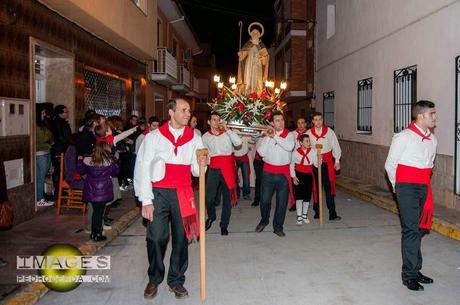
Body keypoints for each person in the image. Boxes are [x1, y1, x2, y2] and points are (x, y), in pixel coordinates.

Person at [134, 98, 207, 300]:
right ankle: (155, 277)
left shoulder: (195, 138)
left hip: (183, 192)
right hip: (158, 193)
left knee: (182, 238)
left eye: (189, 111)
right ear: (171, 112)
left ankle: (176, 279)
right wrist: (145, 200)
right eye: (183, 110)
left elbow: (197, 170)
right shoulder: (154, 137)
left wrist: (203, 163)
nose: (187, 114)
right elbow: (142, 167)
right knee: (156, 237)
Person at [384, 100, 437, 291]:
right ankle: (409, 275)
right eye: (431, 114)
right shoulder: (403, 137)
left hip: (424, 186)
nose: (434, 117)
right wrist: (397, 187)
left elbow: (430, 164)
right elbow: (390, 165)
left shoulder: (432, 139)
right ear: (420, 116)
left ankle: (416, 269)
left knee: (420, 229)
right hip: (406, 186)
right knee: (411, 230)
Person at [255, 112, 295, 237]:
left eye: (282, 120)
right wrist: (268, 138)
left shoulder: (289, 134)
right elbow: (261, 153)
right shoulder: (267, 136)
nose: (281, 122)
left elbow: (289, 147)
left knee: (281, 203)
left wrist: (275, 137)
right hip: (268, 172)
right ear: (272, 123)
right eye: (277, 120)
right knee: (265, 200)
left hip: (283, 173)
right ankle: (264, 220)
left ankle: (278, 227)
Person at [202, 113, 242, 235]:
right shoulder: (205, 137)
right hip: (213, 167)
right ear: (209, 122)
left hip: (227, 167)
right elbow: (204, 153)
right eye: (213, 120)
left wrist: (228, 130)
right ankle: (212, 216)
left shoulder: (227, 134)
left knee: (227, 198)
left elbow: (238, 143)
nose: (216, 122)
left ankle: (224, 224)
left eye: (218, 120)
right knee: (209, 197)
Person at [77, 141, 119, 242]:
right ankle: (97, 234)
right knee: (99, 214)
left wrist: (79, 161)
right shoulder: (109, 162)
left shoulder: (87, 160)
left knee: (96, 212)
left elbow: (81, 170)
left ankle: (93, 233)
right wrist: (114, 160)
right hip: (103, 191)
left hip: (91, 190)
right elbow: (115, 172)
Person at [306, 112, 342, 221]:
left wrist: (337, 160)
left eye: (320, 119)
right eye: (315, 119)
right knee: (316, 188)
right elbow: (306, 148)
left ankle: (332, 213)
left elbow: (335, 146)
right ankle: (317, 212)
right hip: (315, 163)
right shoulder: (309, 133)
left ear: (323, 120)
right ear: (312, 121)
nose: (318, 122)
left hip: (327, 163)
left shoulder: (329, 132)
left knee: (329, 188)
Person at [290, 134, 317, 225]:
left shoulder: (313, 152)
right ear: (301, 143)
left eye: (309, 141)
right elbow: (292, 165)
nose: (309, 142)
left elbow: (316, 165)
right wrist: (293, 176)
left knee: (307, 196)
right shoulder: (295, 152)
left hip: (308, 175)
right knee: (299, 196)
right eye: (306, 141)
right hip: (299, 175)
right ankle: (299, 216)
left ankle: (304, 215)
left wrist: (319, 159)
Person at [237, 22, 269, 94]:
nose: (255, 34)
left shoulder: (261, 45)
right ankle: (246, 93)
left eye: (256, 33)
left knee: (258, 79)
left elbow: (265, 60)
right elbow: (244, 53)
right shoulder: (248, 44)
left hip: (258, 64)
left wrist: (263, 58)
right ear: (251, 34)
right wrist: (241, 54)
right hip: (249, 64)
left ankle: (257, 94)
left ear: (259, 35)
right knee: (248, 79)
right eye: (253, 33)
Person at [35, 102, 55, 207]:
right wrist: (49, 139)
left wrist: (49, 138)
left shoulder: (42, 124)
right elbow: (44, 138)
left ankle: (41, 197)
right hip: (40, 154)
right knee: (40, 177)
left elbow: (51, 135)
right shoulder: (35, 126)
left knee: (43, 176)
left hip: (46, 152)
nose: (44, 115)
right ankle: (39, 199)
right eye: (42, 113)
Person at [51, 105, 72, 198]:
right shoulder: (57, 123)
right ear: (60, 113)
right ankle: (58, 191)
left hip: (63, 149)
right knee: (59, 171)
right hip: (59, 150)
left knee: (62, 171)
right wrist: (69, 143)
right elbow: (60, 136)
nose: (67, 113)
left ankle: (61, 190)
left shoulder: (62, 122)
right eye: (65, 112)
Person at [234, 136, 251, 200]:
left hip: (244, 157)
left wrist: (257, 133)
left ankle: (246, 194)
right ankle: (236, 194)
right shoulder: (232, 134)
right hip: (234, 158)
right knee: (234, 177)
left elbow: (253, 140)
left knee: (246, 177)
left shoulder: (245, 135)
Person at [251, 136, 264, 207]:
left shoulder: (272, 135)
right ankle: (256, 199)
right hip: (258, 160)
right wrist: (261, 133)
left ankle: (264, 199)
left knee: (266, 181)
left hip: (267, 161)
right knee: (259, 180)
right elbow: (253, 137)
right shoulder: (260, 136)